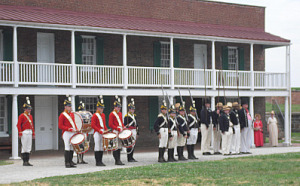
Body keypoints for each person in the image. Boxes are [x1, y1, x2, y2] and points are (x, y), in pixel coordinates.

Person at [58, 95, 79, 168]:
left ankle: (70, 161)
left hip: (72, 132)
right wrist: (69, 129)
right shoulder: (62, 115)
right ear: (65, 107)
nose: (70, 107)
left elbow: (74, 123)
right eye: (69, 106)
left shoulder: (72, 114)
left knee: (72, 147)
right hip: (66, 133)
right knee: (67, 147)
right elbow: (60, 126)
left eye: (70, 106)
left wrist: (76, 130)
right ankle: (67, 162)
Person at [17, 97, 35, 166]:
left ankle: (27, 161)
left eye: (30, 109)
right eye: (28, 109)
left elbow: (32, 125)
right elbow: (18, 125)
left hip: (30, 132)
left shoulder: (30, 116)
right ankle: (24, 161)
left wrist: (33, 133)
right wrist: (20, 132)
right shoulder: (22, 115)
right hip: (24, 132)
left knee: (28, 147)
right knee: (24, 147)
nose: (29, 110)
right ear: (25, 109)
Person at [91, 96, 107, 166]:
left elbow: (104, 124)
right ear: (98, 108)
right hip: (97, 133)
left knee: (101, 146)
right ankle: (97, 161)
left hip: (102, 132)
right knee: (97, 146)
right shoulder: (95, 115)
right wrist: (99, 130)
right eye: (101, 108)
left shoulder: (103, 115)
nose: (102, 109)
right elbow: (93, 125)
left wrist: (106, 130)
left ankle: (101, 160)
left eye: (102, 108)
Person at [109, 96, 125, 165]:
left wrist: (123, 127)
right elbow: (110, 124)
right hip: (115, 131)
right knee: (115, 146)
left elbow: (121, 122)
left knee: (119, 146)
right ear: (115, 107)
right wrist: (117, 128)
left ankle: (119, 159)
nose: (119, 108)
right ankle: (117, 160)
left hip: (120, 130)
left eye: (119, 107)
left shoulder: (120, 114)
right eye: (117, 107)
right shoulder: (112, 114)